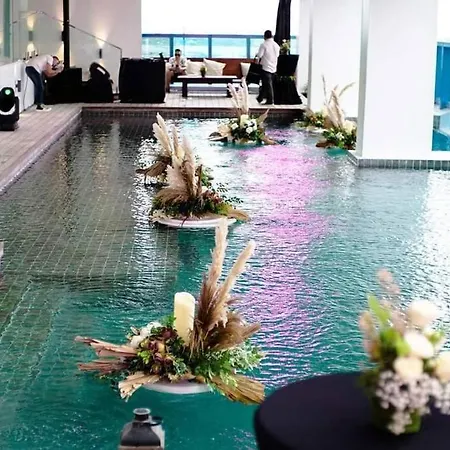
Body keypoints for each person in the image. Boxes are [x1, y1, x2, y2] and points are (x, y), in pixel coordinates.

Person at [256, 30, 280, 105]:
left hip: (266, 67)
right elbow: (277, 55)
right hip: (274, 67)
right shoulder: (276, 45)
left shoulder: (264, 44)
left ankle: (270, 100)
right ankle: (260, 98)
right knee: (265, 84)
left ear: (265, 36)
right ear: (272, 36)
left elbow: (259, 55)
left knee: (268, 85)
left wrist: (257, 55)